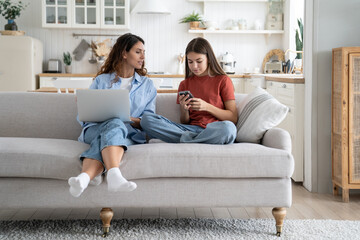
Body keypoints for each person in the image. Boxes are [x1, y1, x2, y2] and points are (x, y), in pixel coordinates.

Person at [68, 33, 157, 197]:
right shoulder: (101, 81)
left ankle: (84, 178)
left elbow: (149, 121)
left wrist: (127, 118)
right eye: (138, 52)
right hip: (95, 130)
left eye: (144, 52)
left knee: (112, 131)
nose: (143, 56)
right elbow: (83, 117)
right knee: (115, 123)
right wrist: (84, 105)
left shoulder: (147, 85)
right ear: (124, 53)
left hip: (129, 135)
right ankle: (114, 174)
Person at [140, 37, 237, 144]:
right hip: (189, 129)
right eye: (190, 62)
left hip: (214, 129)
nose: (194, 66)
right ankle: (196, 139)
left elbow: (232, 117)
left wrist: (207, 107)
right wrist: (184, 109)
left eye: (199, 61)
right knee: (146, 120)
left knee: (229, 128)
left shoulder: (223, 80)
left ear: (208, 59)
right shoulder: (184, 84)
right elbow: (185, 121)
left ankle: (186, 139)